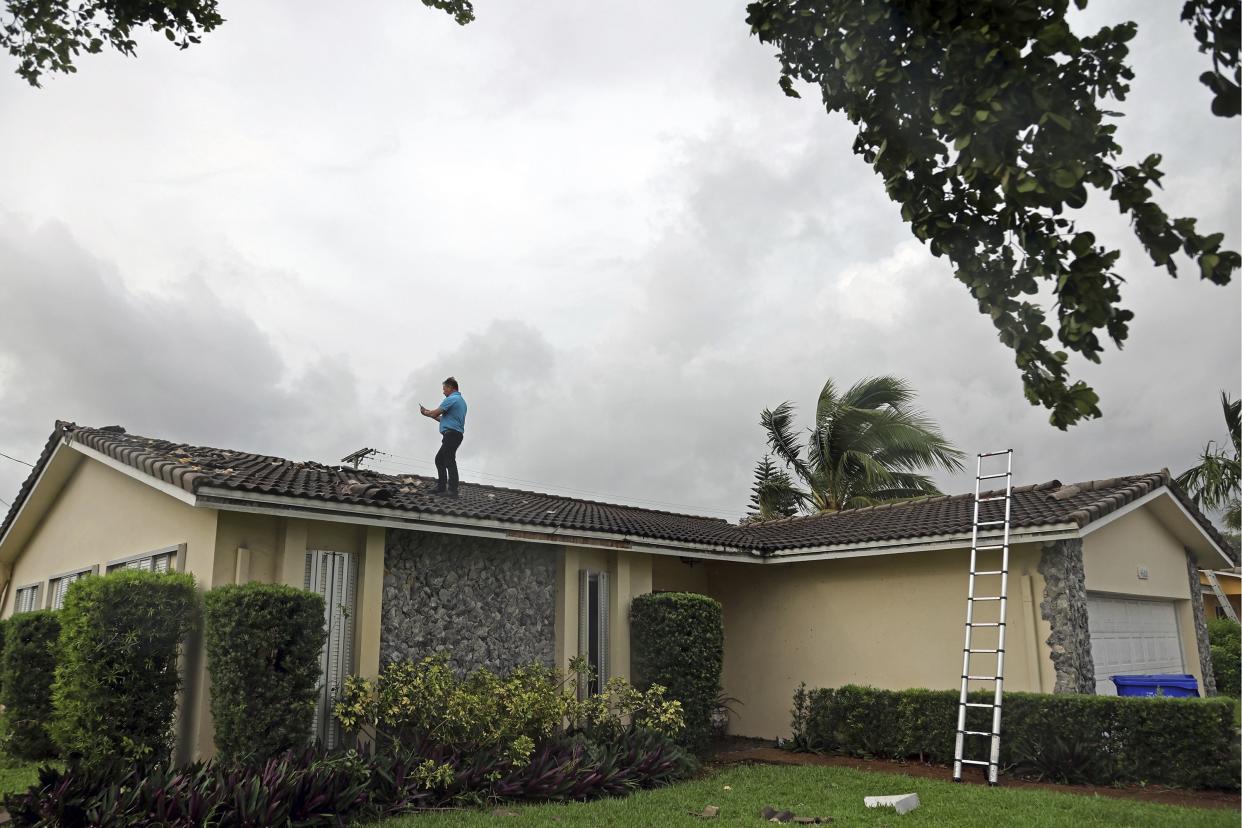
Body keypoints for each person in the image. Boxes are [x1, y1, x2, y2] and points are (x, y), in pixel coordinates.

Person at [420, 377, 467, 496]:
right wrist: (429, 414)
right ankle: (442, 488)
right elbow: (442, 419)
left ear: (451, 388)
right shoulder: (460, 400)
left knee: (449, 460)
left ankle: (452, 490)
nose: (443, 391)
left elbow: (436, 413)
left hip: (451, 434)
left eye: (444, 388)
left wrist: (426, 412)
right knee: (440, 459)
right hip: (454, 434)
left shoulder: (452, 399)